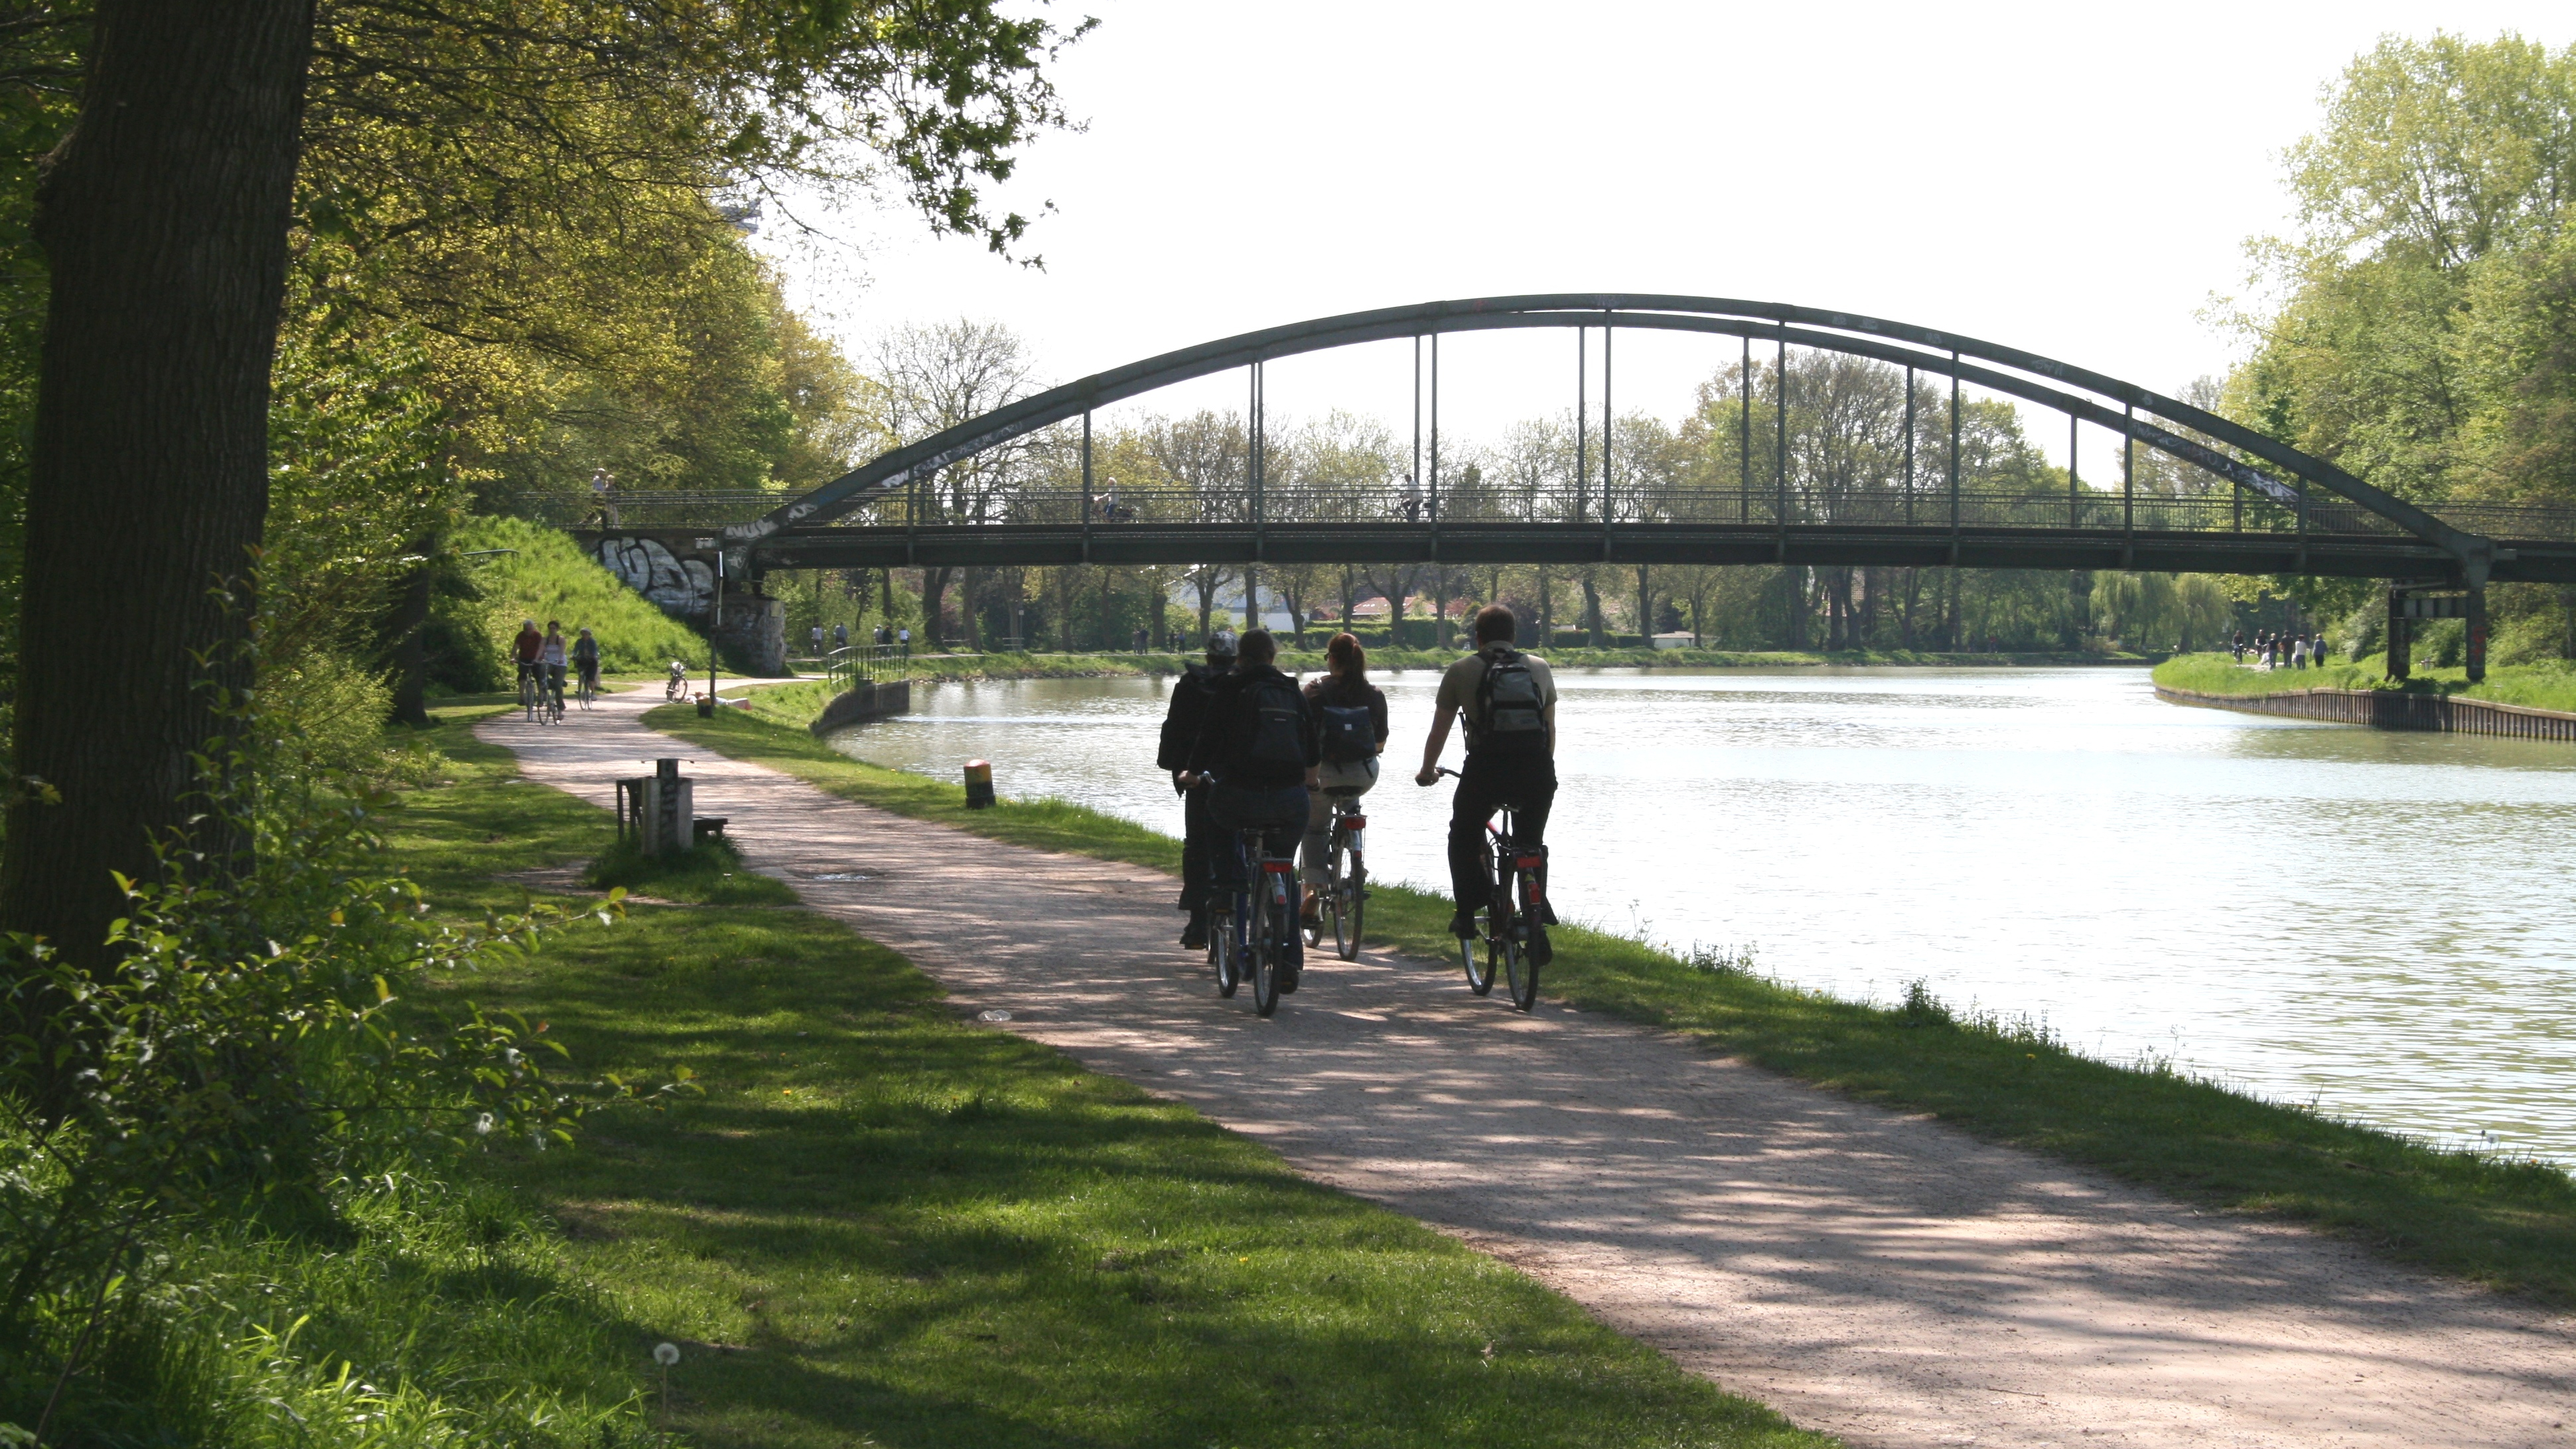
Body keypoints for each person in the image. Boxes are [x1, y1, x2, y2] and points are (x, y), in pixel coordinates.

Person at [1415, 603, 1557, 964]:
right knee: (1531, 842)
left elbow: (1440, 731)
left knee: (1463, 834)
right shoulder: (1539, 667)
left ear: (1477, 637)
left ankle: (1466, 912)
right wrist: (1544, 769)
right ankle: (1536, 916)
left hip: (1487, 771)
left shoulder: (1462, 669)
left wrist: (1427, 770)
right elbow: (1549, 730)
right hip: (1536, 773)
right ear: (1513, 636)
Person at [1182, 629, 1318, 988]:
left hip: (1239, 794)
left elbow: (1208, 738)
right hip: (1289, 800)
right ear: (1273, 656)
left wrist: (1193, 774)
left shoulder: (1230, 687)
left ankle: (1228, 888)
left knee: (1216, 816)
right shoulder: (1290, 689)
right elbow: (1313, 748)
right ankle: (1289, 959)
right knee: (1284, 869)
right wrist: (1308, 781)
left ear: (1241, 657)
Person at [1158, 629, 1239, 949]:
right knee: (1238, 840)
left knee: (1197, 846)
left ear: (1208, 656)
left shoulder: (1189, 685)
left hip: (1199, 776)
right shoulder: (1245, 685)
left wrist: (1177, 771)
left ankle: (1197, 922)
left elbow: (1174, 728)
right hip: (1238, 776)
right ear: (1236, 659)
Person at [1301, 632, 1389, 925]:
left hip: (1322, 773)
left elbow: (1302, 739)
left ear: (1333, 659)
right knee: (1351, 802)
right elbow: (1379, 744)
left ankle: (1314, 889)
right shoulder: (1374, 694)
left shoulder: (1313, 691)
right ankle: (1355, 860)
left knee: (1315, 829)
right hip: (1363, 774)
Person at [512, 619, 544, 709]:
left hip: (536, 658)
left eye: (530, 629)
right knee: (522, 676)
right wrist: (513, 657)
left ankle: (541, 697)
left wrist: (541, 658)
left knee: (539, 677)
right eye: (526, 629)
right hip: (524, 658)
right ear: (524, 629)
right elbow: (516, 648)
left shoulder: (537, 635)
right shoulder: (520, 635)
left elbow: (541, 647)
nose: (528, 631)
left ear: (533, 629)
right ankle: (521, 697)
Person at [538, 621, 569, 711]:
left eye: (554, 628)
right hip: (549, 662)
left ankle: (560, 707)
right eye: (550, 628)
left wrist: (560, 659)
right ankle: (545, 697)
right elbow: (541, 650)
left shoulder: (561, 639)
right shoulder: (545, 639)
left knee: (557, 685)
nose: (552, 630)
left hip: (560, 664)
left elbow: (562, 650)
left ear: (557, 629)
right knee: (542, 675)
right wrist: (537, 659)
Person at [572, 626, 601, 699]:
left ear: (589, 634)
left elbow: (595, 650)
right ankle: (580, 689)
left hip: (591, 660)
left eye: (586, 634)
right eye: (583, 634)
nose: (584, 635)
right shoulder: (579, 641)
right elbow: (575, 650)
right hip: (582, 659)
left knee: (591, 678)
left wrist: (594, 656)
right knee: (581, 674)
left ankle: (593, 693)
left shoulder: (592, 641)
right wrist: (573, 655)